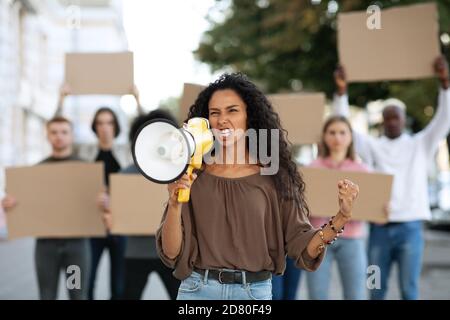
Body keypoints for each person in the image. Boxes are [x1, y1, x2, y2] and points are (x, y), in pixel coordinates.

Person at [155, 73, 360, 300]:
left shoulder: (274, 177)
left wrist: (341, 217)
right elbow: (172, 252)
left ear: (249, 115)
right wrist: (175, 204)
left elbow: (302, 247)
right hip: (197, 291)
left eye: (232, 110)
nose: (222, 120)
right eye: (215, 113)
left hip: (252, 294)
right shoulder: (193, 174)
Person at [332, 56, 450, 300]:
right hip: (379, 231)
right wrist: (342, 92)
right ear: (382, 121)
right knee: (376, 289)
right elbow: (344, 127)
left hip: (410, 228)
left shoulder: (420, 144)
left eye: (395, 116)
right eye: (387, 117)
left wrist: (445, 84)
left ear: (404, 119)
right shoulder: (373, 147)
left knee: (409, 290)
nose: (391, 121)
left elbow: (443, 120)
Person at [56, 85, 138, 299]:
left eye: (109, 122)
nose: (105, 127)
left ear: (116, 126)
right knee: (86, 281)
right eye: (100, 123)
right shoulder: (84, 151)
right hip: (92, 225)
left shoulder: (126, 152)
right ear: (95, 126)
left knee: (119, 285)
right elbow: (58, 134)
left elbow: (146, 132)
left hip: (119, 226)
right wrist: (61, 101)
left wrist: (137, 101)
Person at [1, 117, 91, 300]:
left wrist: (103, 202)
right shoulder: (36, 171)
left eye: (64, 132)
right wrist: (11, 204)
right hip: (46, 247)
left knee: (77, 295)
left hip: (76, 246)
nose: (59, 136)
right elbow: (24, 203)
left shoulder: (85, 169)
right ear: (47, 136)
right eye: (54, 132)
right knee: (47, 295)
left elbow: (94, 203)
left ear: (71, 136)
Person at [98, 109, 181, 300]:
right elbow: (113, 218)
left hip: (172, 256)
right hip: (134, 253)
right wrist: (110, 214)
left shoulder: (180, 173)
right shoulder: (124, 176)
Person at [306, 115, 369, 300]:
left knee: (355, 295)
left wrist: (382, 209)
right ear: (324, 136)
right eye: (332, 132)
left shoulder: (363, 171)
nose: (337, 138)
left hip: (352, 239)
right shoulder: (311, 168)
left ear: (350, 137)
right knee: (317, 295)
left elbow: (370, 206)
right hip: (319, 238)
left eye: (343, 132)